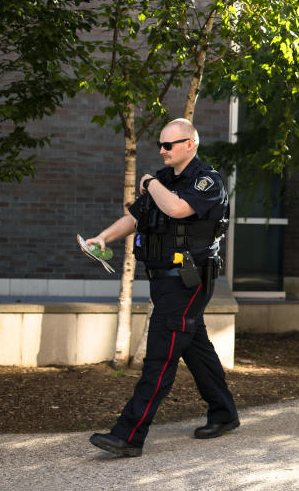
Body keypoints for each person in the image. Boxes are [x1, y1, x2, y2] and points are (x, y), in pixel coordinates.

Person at [86, 118, 239, 457]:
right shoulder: (164, 179)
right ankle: (224, 413)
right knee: (194, 347)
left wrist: (149, 182)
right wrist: (103, 237)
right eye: (160, 144)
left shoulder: (206, 180)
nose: (162, 149)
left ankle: (129, 435)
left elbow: (176, 208)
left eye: (169, 145)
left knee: (160, 356)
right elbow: (138, 217)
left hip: (189, 281)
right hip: (165, 281)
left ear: (190, 145)